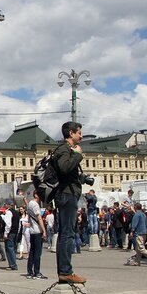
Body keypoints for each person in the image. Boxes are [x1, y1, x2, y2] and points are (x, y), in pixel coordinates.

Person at [51, 121, 88, 284]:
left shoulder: (66, 150)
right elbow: (64, 168)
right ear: (71, 133)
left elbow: (66, 173)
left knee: (67, 233)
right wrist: (78, 155)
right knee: (67, 234)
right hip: (66, 195)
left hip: (68, 193)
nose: (81, 135)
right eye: (79, 132)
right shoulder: (64, 149)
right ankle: (65, 271)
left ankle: (65, 271)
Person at [26, 190, 48, 279]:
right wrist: (44, 231)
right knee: (37, 253)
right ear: (36, 195)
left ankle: (30, 271)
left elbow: (29, 217)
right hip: (37, 230)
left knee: (32, 251)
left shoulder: (29, 204)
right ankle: (37, 272)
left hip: (31, 230)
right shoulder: (35, 205)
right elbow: (39, 218)